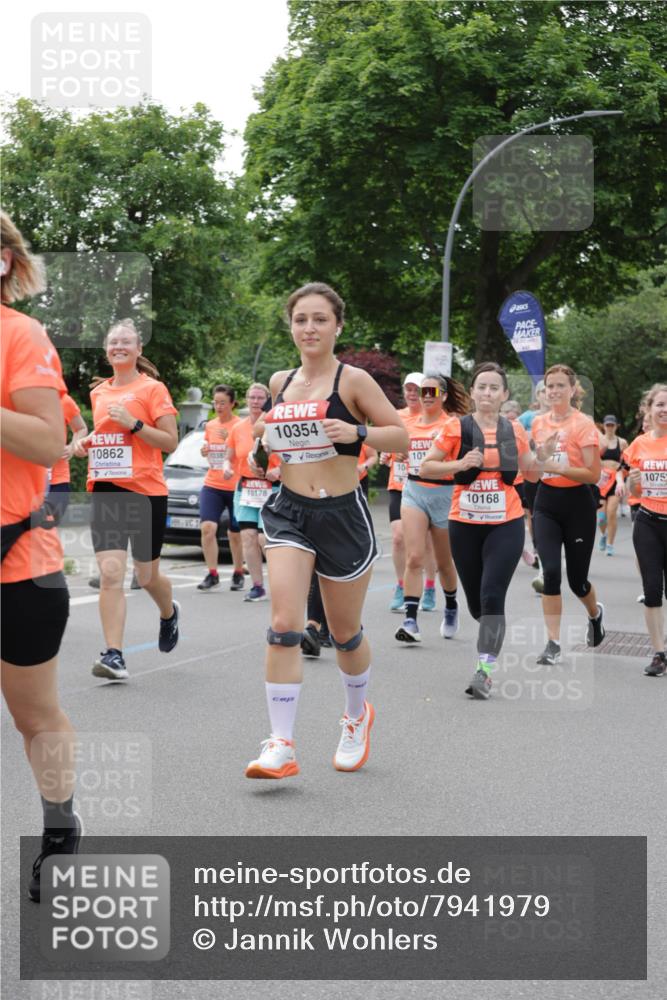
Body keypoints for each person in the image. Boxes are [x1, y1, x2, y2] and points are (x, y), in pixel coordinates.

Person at [244, 282, 408, 779]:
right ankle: (281, 744)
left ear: (338, 325)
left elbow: (399, 435)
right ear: (290, 326)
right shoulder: (281, 382)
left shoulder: (353, 380)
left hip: (342, 516)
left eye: (319, 319)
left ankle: (357, 716)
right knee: (283, 626)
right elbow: (271, 448)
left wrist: (357, 432)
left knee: (343, 634)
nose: (309, 328)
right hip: (289, 511)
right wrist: (261, 445)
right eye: (300, 320)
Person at [1, 210, 80, 901]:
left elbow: (49, 443)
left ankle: (59, 829)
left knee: (33, 718)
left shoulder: (20, 335)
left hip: (16, 566)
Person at [421, 363, 542, 699]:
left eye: (494, 388)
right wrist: (459, 465)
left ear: (504, 394)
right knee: (477, 604)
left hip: (506, 523)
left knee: (492, 595)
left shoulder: (514, 429)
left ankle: (484, 671)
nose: (487, 393)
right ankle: (488, 626)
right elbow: (426, 466)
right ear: (472, 392)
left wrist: (541, 456)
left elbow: (531, 476)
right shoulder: (456, 429)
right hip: (465, 523)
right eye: (482, 387)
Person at [72, 319, 180, 681]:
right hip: (106, 489)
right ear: (106, 350)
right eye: (113, 341)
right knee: (110, 575)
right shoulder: (99, 392)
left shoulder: (153, 389)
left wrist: (134, 423)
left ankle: (168, 612)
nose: (119, 346)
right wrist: (84, 445)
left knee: (147, 576)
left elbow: (169, 442)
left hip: (146, 492)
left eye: (126, 342)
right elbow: (104, 436)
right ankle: (114, 655)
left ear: (138, 350)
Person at [530, 364, 606, 665]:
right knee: (550, 572)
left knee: (577, 581)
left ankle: (595, 614)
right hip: (546, 502)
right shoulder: (538, 423)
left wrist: (559, 466)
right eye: (550, 386)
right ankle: (553, 642)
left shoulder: (584, 424)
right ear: (544, 390)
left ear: (573, 390)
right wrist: (542, 457)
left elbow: (593, 474)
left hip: (578, 504)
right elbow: (537, 465)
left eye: (561, 385)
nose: (555, 391)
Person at [394, 373, 469, 644]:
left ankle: (450, 606)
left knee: (443, 563)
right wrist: (398, 453)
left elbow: (463, 458)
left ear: (444, 396)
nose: (426, 396)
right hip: (414, 491)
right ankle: (410, 620)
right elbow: (397, 453)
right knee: (414, 557)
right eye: (423, 391)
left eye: (432, 392)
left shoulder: (453, 425)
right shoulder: (409, 424)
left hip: (445, 495)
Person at [381, 373, 439, 614]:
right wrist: (386, 455)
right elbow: (385, 448)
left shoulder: (436, 419)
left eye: (418, 389)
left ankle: (429, 586)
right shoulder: (397, 417)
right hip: (400, 483)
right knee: (398, 537)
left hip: (426, 486)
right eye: (409, 389)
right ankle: (401, 585)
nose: (413, 394)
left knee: (425, 542)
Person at [622, 384, 667, 676]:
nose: (664, 410)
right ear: (648, 410)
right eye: (659, 405)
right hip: (648, 520)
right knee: (652, 589)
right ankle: (658, 653)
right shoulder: (637, 446)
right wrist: (633, 481)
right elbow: (630, 490)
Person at [223, 383, 280, 602]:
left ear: (267, 400)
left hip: (271, 487)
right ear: (246, 400)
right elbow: (229, 458)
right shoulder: (237, 428)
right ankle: (257, 586)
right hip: (246, 487)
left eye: (260, 398)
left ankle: (281, 584)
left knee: (265, 539)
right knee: (248, 537)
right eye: (252, 398)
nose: (255, 402)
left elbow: (292, 455)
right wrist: (227, 468)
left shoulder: (274, 425)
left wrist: (278, 470)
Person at [197, 384, 245, 591]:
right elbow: (208, 451)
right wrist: (205, 451)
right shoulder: (210, 426)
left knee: (235, 534)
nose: (218, 406)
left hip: (235, 486)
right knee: (208, 528)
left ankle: (238, 572)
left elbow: (243, 453)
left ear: (233, 404)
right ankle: (212, 573)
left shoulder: (241, 426)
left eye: (222, 403)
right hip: (212, 484)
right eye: (215, 402)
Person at [44, 392, 87, 523]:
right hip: (28, 478)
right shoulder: (18, 398)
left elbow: (81, 428)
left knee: (48, 525)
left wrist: (72, 447)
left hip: (57, 478)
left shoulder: (63, 400)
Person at [596, 415, 628, 556]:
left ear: (616, 426)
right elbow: (591, 459)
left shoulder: (622, 442)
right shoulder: (598, 441)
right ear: (603, 426)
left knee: (611, 512)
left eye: (612, 425)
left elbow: (626, 462)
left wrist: (620, 474)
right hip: (601, 480)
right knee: (601, 517)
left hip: (615, 480)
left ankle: (610, 544)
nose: (609, 428)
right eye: (607, 425)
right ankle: (603, 535)